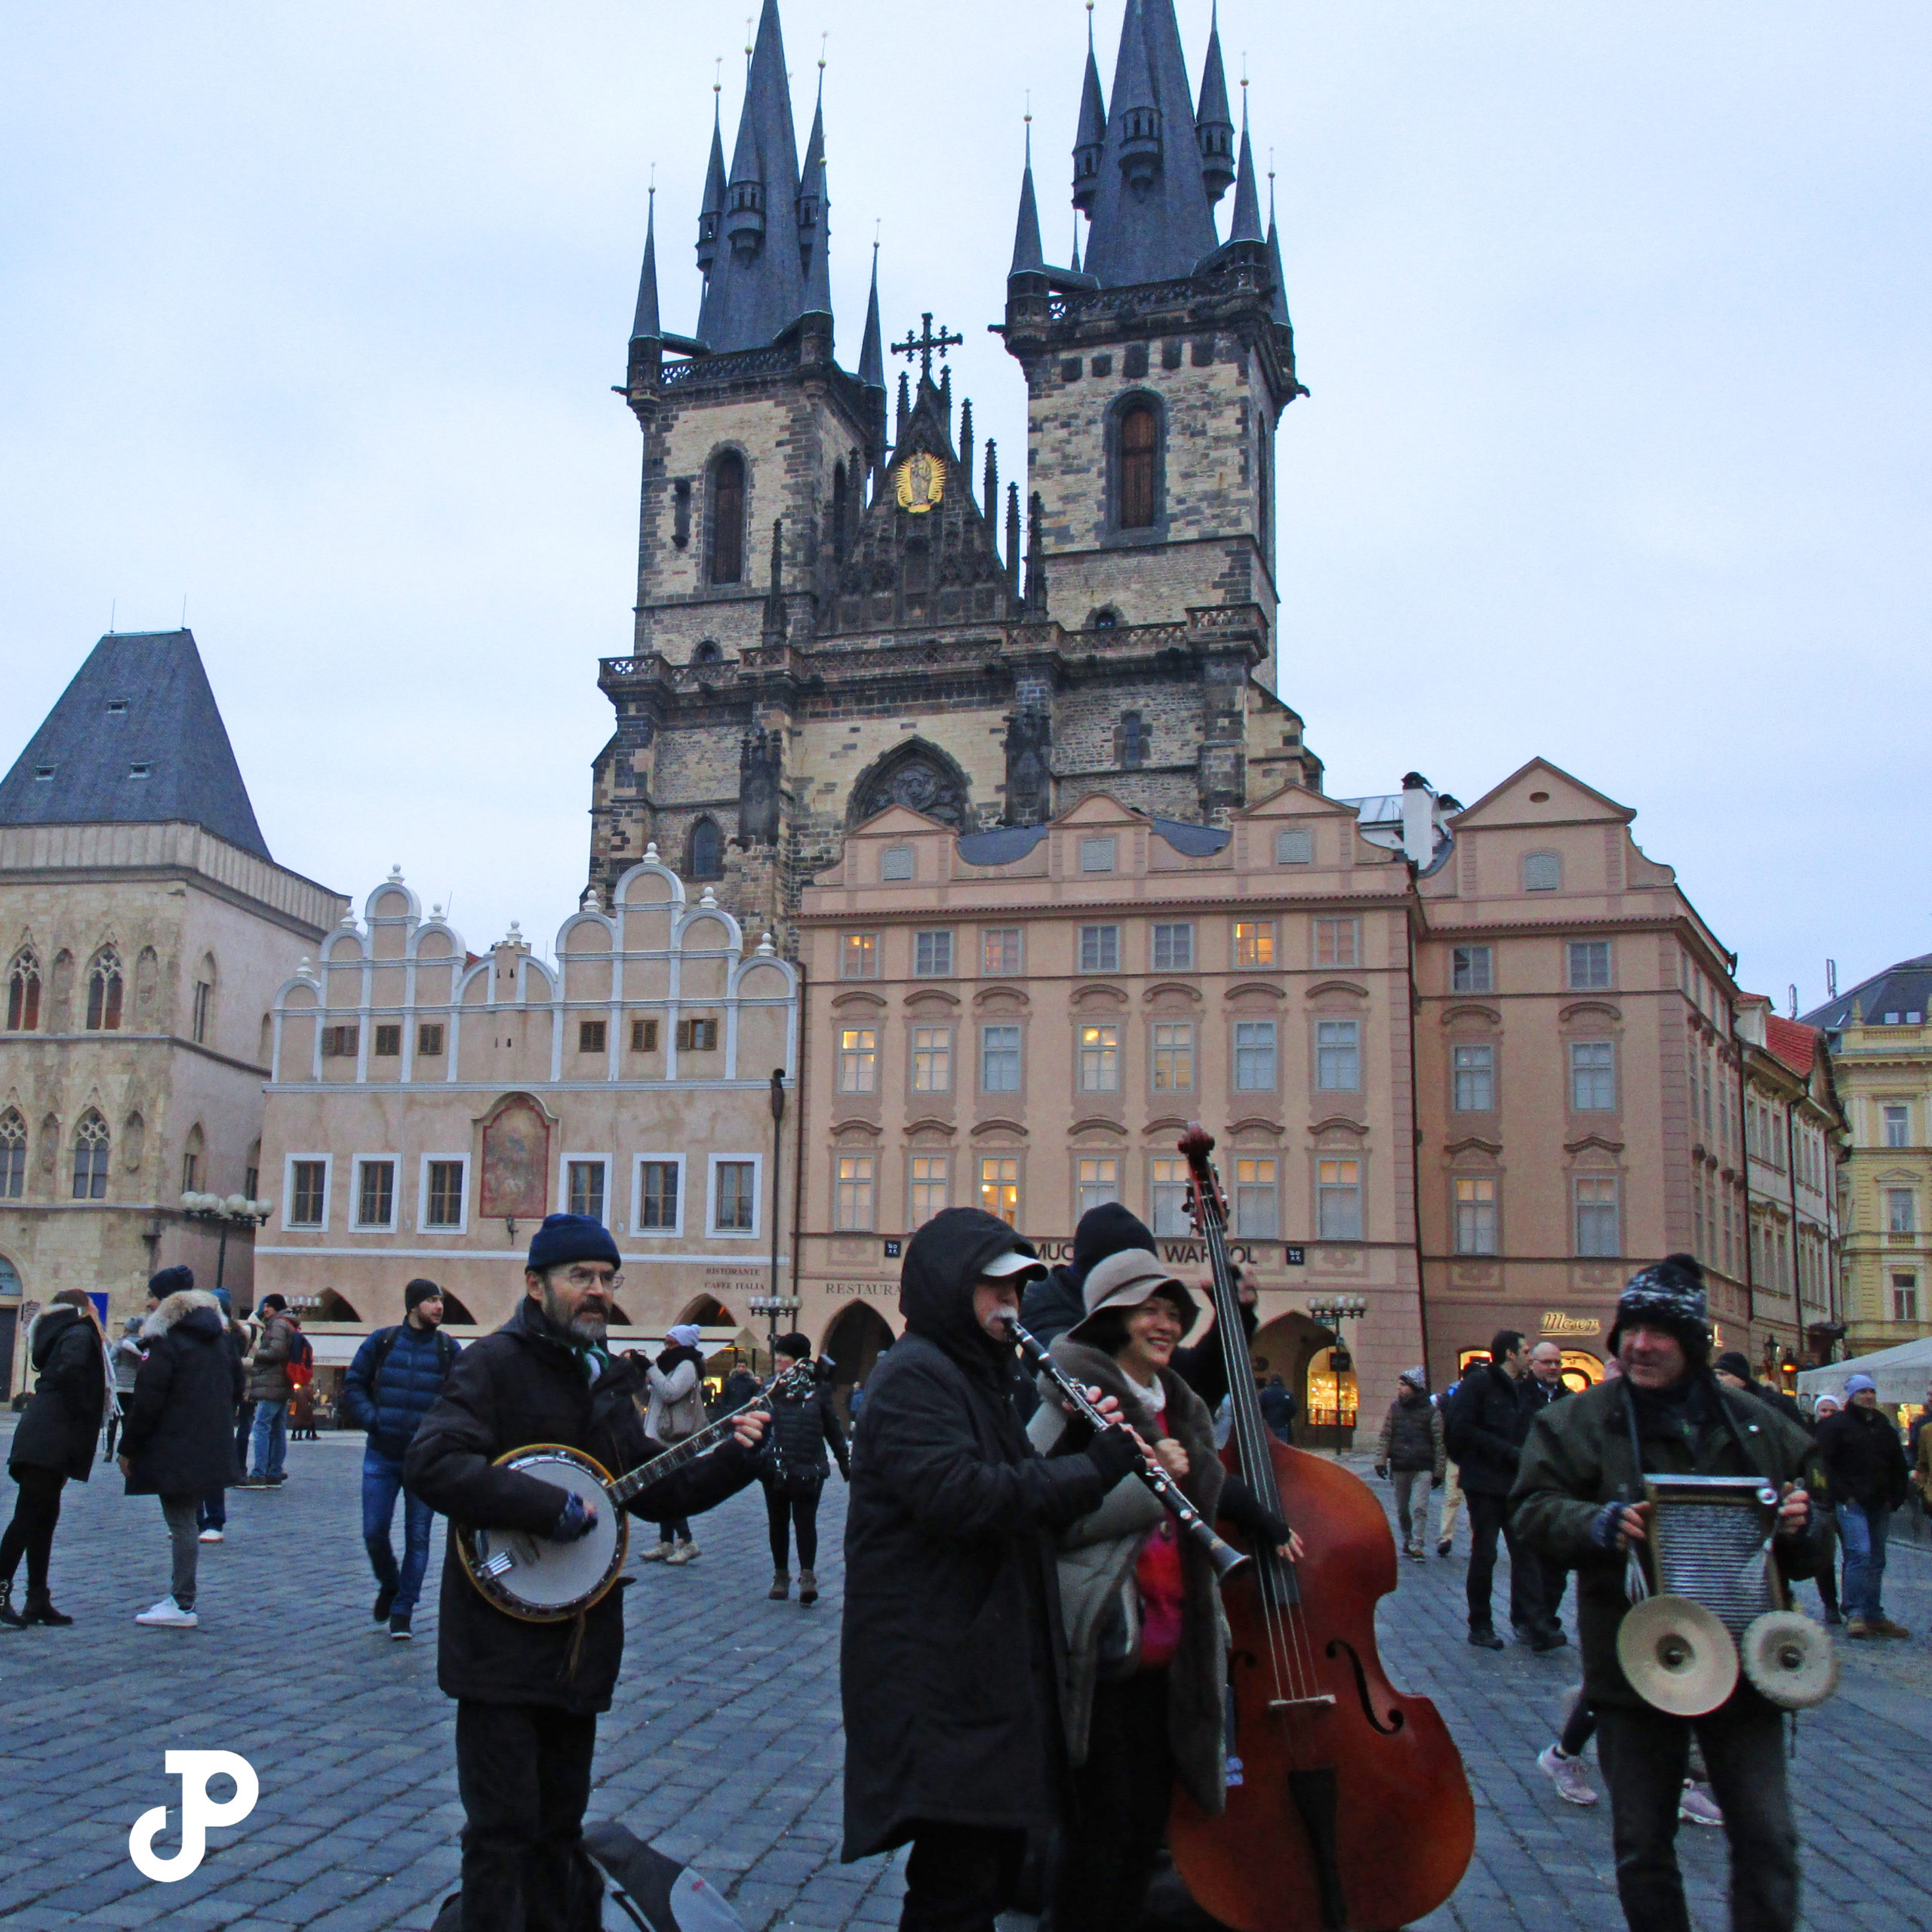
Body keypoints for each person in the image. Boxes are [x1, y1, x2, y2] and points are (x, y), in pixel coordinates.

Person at [405, 1214, 767, 1932]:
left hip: (581, 1647)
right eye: (581, 1278)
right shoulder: (493, 1364)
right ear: (536, 1285)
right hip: (499, 1645)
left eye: (607, 1279)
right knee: (501, 1835)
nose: (597, 1292)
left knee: (557, 1832)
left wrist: (739, 1456)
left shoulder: (603, 1379)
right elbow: (432, 1463)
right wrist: (544, 1508)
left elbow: (650, 1489)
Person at [840, 1207, 1143, 1932]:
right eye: (997, 1291)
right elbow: (964, 1496)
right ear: (951, 1287)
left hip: (976, 1674)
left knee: (986, 1870)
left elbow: (1013, 1482)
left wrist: (1074, 1439)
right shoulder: (916, 1377)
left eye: (1018, 1292)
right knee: (957, 1884)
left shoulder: (975, 1377)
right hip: (938, 1675)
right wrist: (1094, 1470)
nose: (1013, 1307)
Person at [1513, 1254, 1819, 1932]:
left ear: (1692, 1343)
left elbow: (1811, 1540)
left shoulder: (1756, 1425)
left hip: (1744, 1665)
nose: (1640, 1344)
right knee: (1643, 1847)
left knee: (1769, 1841)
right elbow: (1530, 1510)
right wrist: (1593, 1523)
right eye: (1631, 1330)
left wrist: (1802, 1528)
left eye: (1660, 1332)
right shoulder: (1577, 1422)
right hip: (1634, 1663)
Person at [1028, 1249, 1297, 1932]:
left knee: (1147, 1824)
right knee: (1101, 1838)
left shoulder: (1176, 1403)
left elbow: (1208, 1487)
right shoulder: (1073, 1398)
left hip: (1173, 1651)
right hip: (1107, 1649)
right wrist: (1149, 1491)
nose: (1166, 1323)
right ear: (1114, 1318)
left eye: (1174, 1312)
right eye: (1150, 1309)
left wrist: (1258, 1514)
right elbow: (1039, 1518)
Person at [118, 1283, 247, 1629]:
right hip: (209, 1443)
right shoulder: (222, 1341)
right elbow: (238, 1388)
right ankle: (180, 1597)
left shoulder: (168, 1342)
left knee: (182, 1522)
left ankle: (182, 1600)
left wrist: (128, 1449)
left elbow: (148, 1399)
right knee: (187, 1519)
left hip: (173, 1445)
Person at [342, 1278, 460, 1639]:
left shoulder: (448, 1348)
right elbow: (354, 1384)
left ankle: (403, 1610)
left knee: (419, 1537)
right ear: (413, 1306)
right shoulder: (383, 1341)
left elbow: (463, 1396)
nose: (439, 1307)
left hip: (424, 1460)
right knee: (373, 1531)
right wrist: (372, 1420)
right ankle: (389, 1582)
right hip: (382, 1454)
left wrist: (442, 1435)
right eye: (431, 1300)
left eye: (441, 1300)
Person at [0, 1288, 109, 1628]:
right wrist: (85, 1409)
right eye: (92, 1306)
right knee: (28, 1517)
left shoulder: (64, 1333)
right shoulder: (79, 1334)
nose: (96, 1312)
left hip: (46, 1435)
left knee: (43, 1518)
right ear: (81, 1309)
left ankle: (37, 1599)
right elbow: (72, 1375)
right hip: (51, 1437)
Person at [1442, 1330, 1550, 1648]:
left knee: (1525, 1552)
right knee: (1485, 1552)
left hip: (1516, 1483)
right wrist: (1502, 1452)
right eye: (1527, 1351)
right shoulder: (1479, 1384)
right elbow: (1460, 1429)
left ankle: (1531, 1623)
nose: (1531, 1357)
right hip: (1484, 1482)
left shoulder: (1526, 1389)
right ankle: (1481, 1624)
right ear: (1510, 1354)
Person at [1815, 1372, 1910, 1639]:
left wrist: (1896, 1495)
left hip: (1879, 1502)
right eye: (1863, 1392)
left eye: (1871, 1392)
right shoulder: (1837, 1425)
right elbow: (1824, 1464)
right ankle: (1856, 1612)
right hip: (1851, 1501)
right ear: (1852, 1396)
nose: (1868, 1396)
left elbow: (1897, 1464)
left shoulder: (1883, 1426)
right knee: (1860, 1553)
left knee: (1877, 1558)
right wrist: (1842, 1494)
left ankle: (1873, 1613)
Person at [761, 1332, 850, 1604]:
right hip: (775, 1466)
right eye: (777, 1354)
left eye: (784, 1355)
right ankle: (780, 1575)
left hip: (809, 1466)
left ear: (798, 1359)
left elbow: (833, 1427)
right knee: (778, 1522)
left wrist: (844, 1461)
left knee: (804, 1522)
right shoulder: (770, 1388)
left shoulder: (818, 1389)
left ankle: (807, 1575)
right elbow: (756, 1423)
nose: (778, 1359)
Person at [640, 1321, 707, 1564]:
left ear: (683, 1344)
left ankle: (688, 1542)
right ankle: (666, 1542)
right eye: (666, 1342)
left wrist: (651, 1369)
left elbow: (670, 1392)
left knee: (670, 1491)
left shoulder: (687, 1365)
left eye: (671, 1343)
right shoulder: (668, 1364)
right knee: (661, 1490)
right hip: (658, 1434)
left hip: (673, 1439)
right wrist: (643, 1375)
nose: (666, 1347)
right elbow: (654, 1396)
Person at [196, 1286, 251, 1545]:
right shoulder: (230, 1335)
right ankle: (197, 1520)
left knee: (207, 1464)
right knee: (200, 1464)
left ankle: (211, 1519)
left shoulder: (228, 1336)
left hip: (214, 1407)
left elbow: (236, 1376)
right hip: (213, 1406)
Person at [1375, 1367, 1445, 1559]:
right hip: (1400, 1466)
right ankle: (1407, 1537)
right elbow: (1386, 1435)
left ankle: (1417, 1542)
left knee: (1419, 1507)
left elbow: (1439, 1443)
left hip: (1423, 1466)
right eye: (1400, 1384)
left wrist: (1439, 1472)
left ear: (1415, 1387)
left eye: (1404, 1385)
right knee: (1403, 1509)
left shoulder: (1431, 1412)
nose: (1400, 1388)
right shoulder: (1395, 1408)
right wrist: (1381, 1461)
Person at [242, 1293, 300, 1486]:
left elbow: (276, 1352)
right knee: (277, 1428)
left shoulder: (278, 1325)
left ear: (274, 1307)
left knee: (262, 1427)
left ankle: (259, 1472)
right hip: (282, 1382)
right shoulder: (289, 1323)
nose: (264, 1310)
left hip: (272, 1383)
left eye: (266, 1306)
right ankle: (275, 1471)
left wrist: (258, 1354)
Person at [1809, 1394, 1843, 1623]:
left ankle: (1852, 1604)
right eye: (1824, 1410)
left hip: (1846, 1498)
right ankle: (1830, 1603)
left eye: (1832, 1411)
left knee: (1855, 1554)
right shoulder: (1807, 1435)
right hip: (1821, 1500)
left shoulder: (1847, 1433)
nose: (1828, 1415)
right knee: (1825, 1556)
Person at [1713, 1351, 1807, 1432]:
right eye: (1714, 1374)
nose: (1717, 1378)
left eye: (1723, 1374)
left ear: (1742, 1380)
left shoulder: (1774, 1404)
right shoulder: (1714, 1407)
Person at [106, 1315, 143, 1462]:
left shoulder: (121, 1342)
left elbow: (110, 1357)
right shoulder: (142, 1343)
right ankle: (123, 1452)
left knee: (113, 1420)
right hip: (134, 1386)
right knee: (128, 1421)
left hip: (120, 1385)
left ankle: (109, 1450)